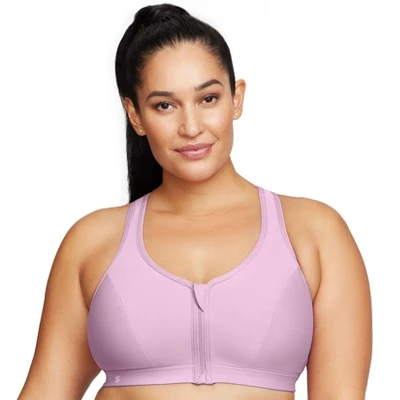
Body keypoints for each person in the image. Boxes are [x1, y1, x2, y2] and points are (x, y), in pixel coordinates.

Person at [17, 3, 372, 400]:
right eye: (164, 105)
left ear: (236, 98)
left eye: (208, 98)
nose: (190, 127)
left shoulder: (314, 233)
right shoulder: (92, 241)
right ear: (135, 115)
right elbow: (46, 389)